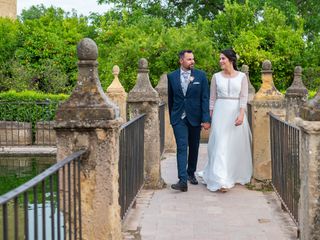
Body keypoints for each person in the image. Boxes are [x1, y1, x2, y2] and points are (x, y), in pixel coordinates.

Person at [197, 49, 252, 192]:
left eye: (223, 58)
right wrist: (209, 118)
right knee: (220, 144)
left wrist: (241, 114)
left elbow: (243, 97)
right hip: (220, 113)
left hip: (235, 112)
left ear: (231, 60)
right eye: (220, 58)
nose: (220, 61)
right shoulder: (216, 77)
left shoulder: (242, 77)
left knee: (232, 145)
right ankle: (220, 180)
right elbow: (212, 99)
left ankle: (232, 174)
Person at [167, 50, 211, 192]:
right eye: (189, 59)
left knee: (194, 146)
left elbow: (205, 98)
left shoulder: (201, 76)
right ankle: (182, 180)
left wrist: (206, 119)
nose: (192, 61)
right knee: (181, 147)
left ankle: (191, 172)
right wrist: (172, 118)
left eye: (193, 59)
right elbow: (171, 99)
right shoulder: (171, 76)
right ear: (181, 61)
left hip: (195, 117)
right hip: (179, 118)